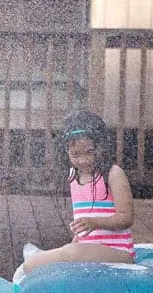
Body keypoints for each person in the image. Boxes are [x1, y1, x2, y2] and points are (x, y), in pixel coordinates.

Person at [21, 110, 135, 275]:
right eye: (75, 154)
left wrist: (95, 223)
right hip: (86, 251)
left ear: (101, 146)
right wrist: (76, 241)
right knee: (30, 266)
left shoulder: (113, 173)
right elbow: (82, 231)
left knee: (71, 253)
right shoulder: (73, 177)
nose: (83, 160)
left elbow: (126, 218)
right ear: (66, 152)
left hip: (118, 253)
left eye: (89, 152)